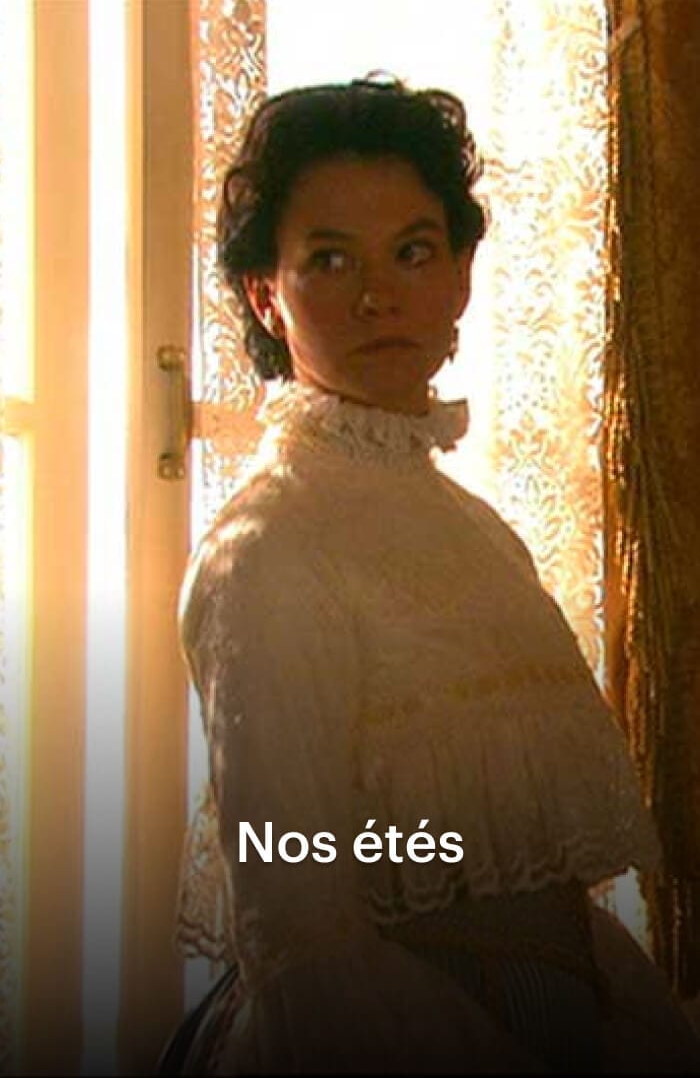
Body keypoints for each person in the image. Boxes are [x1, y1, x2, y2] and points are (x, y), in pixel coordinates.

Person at [162, 77, 700, 1074]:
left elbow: (533, 878)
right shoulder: (265, 547)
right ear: (266, 296)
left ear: (458, 277)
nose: (379, 295)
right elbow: (296, 902)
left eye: (412, 251)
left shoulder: (475, 531)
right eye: (331, 259)